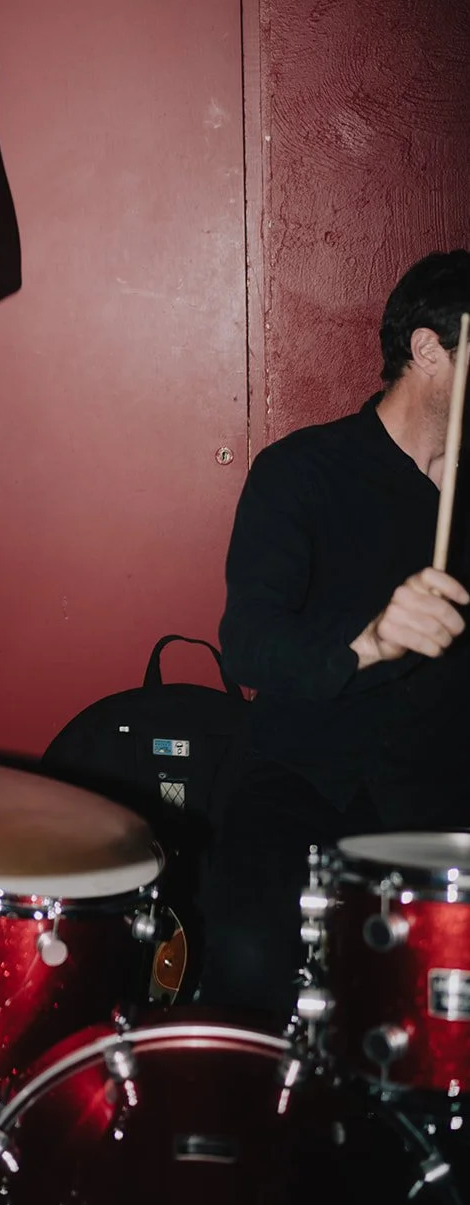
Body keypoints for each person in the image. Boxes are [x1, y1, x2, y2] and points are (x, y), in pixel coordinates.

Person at [200, 250, 470, 1023]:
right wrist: (371, 640)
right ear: (427, 350)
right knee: (250, 964)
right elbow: (247, 644)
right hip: (303, 780)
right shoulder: (300, 472)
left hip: (442, 793)